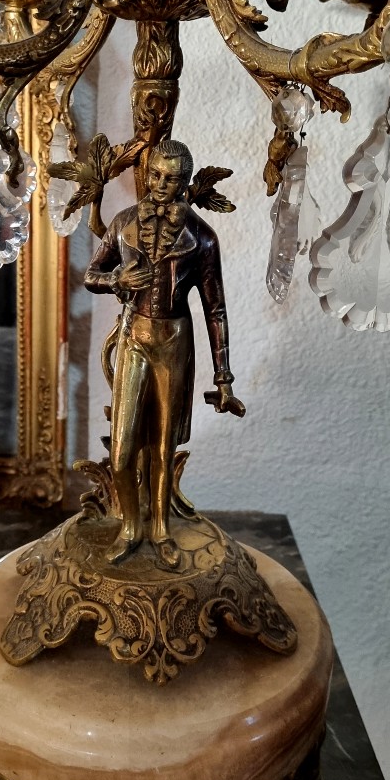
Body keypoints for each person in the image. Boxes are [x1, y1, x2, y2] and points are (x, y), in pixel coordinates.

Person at [85, 140, 244, 568]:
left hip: (174, 339)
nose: (160, 185)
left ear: (185, 183)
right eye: (155, 174)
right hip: (134, 335)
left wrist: (223, 378)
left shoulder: (203, 240)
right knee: (122, 448)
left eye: (172, 179)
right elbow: (91, 274)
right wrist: (117, 277)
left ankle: (158, 528)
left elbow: (216, 310)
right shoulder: (122, 224)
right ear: (147, 174)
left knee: (162, 445)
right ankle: (130, 526)